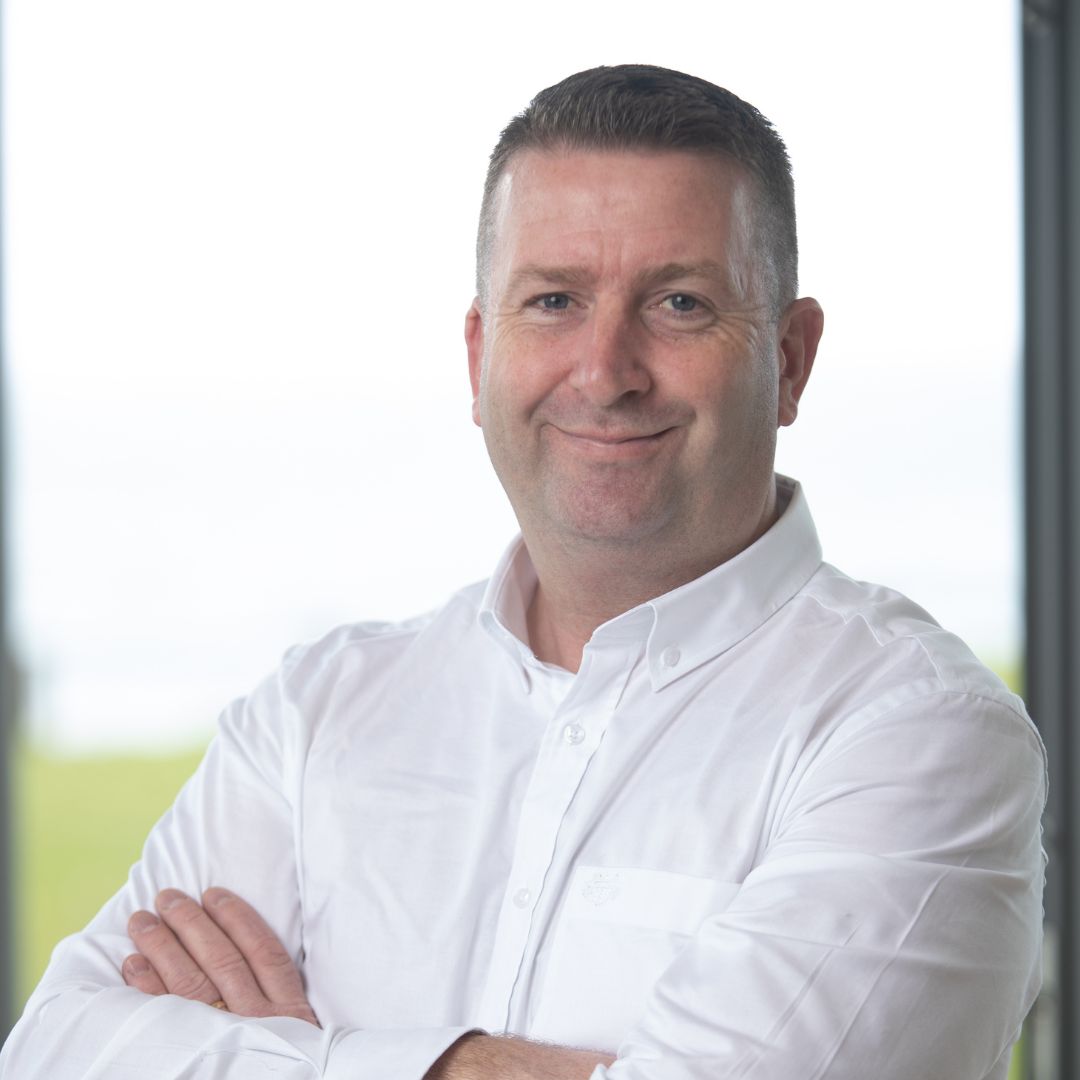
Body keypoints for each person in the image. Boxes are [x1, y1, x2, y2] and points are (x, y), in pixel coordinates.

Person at [1, 64, 1045, 1080]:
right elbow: (54, 1051)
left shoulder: (918, 736)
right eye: (552, 301)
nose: (604, 371)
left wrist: (289, 1051)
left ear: (790, 359)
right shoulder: (312, 719)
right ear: (477, 354)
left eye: (678, 303)